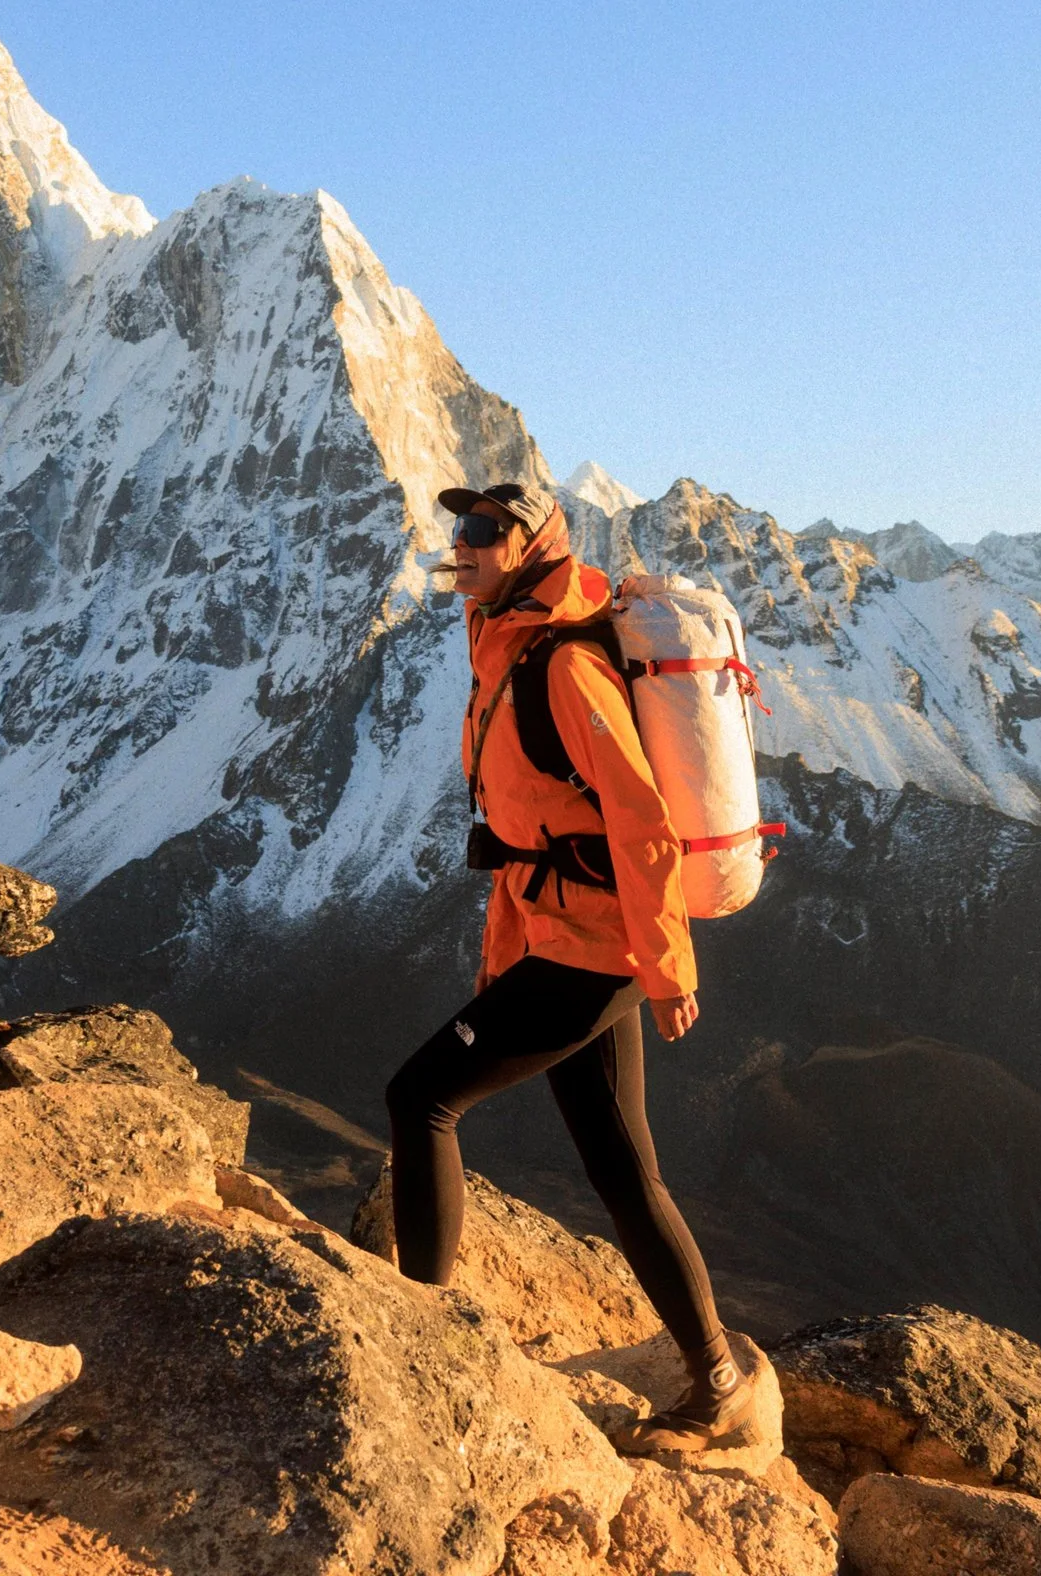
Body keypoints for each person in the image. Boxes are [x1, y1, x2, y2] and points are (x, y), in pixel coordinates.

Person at [384, 480, 758, 1457]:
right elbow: (532, 834)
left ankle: (416, 1336)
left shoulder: (562, 663)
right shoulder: (509, 641)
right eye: (459, 525)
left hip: (601, 949)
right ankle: (717, 1379)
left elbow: (638, 818)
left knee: (421, 1098)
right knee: (622, 1168)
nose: (463, 541)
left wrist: (668, 966)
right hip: (571, 936)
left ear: (530, 546)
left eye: (484, 529)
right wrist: (508, 954)